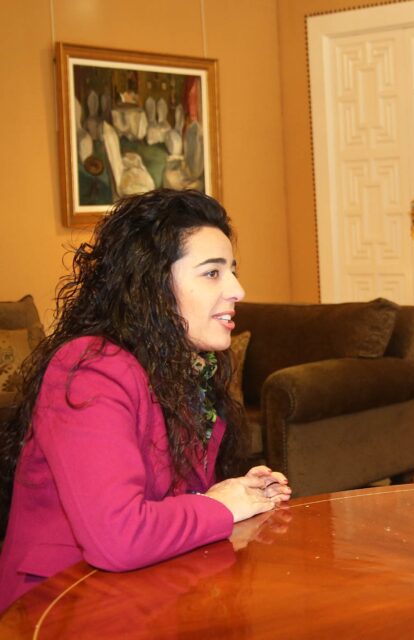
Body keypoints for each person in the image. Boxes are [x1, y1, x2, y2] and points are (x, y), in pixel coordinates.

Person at [0, 189, 292, 611]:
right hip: (58, 605)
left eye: (232, 270)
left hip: (142, 592)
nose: (238, 289)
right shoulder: (90, 369)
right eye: (212, 273)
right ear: (152, 284)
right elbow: (118, 537)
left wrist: (236, 492)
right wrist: (220, 505)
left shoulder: (185, 369)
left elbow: (168, 502)